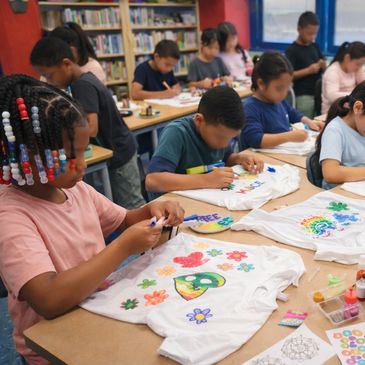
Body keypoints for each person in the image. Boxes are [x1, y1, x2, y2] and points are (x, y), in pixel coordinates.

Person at [0, 74, 184, 365]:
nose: (83, 165)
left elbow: (124, 220)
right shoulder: (10, 216)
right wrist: (122, 247)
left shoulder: (75, 190)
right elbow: (48, 300)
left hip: (96, 312)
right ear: (28, 154)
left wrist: (152, 210)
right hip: (53, 347)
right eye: (71, 155)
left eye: (83, 151)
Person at [30, 37, 146, 209]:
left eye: (49, 75)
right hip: (119, 148)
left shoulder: (82, 86)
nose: (49, 82)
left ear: (66, 63)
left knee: (131, 204)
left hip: (118, 154)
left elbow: (91, 128)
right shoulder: (86, 78)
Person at [145, 86, 264, 196]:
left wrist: (239, 159)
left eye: (231, 139)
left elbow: (225, 158)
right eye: (221, 138)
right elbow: (153, 180)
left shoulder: (220, 133)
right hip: (172, 205)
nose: (225, 144)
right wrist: (206, 180)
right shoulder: (177, 133)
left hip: (204, 197)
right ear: (199, 120)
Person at [241, 52, 324, 150]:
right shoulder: (250, 108)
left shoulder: (277, 100)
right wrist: (289, 136)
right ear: (261, 84)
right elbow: (256, 140)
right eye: (280, 88)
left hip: (283, 153)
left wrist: (308, 122)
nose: (284, 93)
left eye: (287, 88)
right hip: (263, 159)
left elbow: (292, 113)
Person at [317, 81, 365, 189]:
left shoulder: (361, 127)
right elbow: (331, 174)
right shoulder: (335, 130)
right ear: (358, 108)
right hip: (341, 198)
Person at [285, 11, 326, 118]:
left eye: (315, 33)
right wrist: (308, 70)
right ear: (299, 29)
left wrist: (323, 65)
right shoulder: (292, 50)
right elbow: (288, 75)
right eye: (309, 33)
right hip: (303, 95)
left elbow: (324, 65)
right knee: (305, 125)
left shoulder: (315, 46)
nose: (313, 37)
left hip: (319, 93)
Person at [322, 41, 365, 114]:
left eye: (362, 65)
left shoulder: (355, 69)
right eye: (358, 64)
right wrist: (354, 95)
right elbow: (332, 96)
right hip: (334, 113)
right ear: (347, 58)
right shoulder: (333, 72)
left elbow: (363, 85)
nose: (359, 68)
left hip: (350, 110)